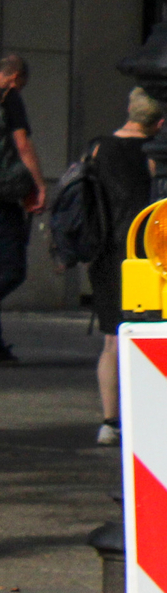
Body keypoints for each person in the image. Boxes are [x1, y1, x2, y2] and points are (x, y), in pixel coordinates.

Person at [85, 88, 164, 445]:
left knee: (112, 340)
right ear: (159, 122)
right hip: (142, 255)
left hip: (104, 253)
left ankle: (109, 422)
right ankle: (147, 414)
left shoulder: (97, 148)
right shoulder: (151, 153)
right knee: (148, 336)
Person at [0, 52, 50, 366]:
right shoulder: (10, 98)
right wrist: (39, 185)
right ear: (16, 78)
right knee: (12, 269)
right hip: (3, 196)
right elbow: (22, 145)